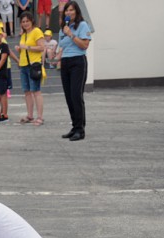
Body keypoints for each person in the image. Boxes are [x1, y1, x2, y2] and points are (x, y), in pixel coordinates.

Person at [58, 1, 91, 141]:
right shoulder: (63, 27)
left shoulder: (82, 25)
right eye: (67, 10)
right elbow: (62, 45)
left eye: (71, 10)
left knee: (76, 96)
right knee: (69, 97)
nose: (69, 12)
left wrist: (71, 35)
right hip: (65, 62)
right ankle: (74, 126)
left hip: (78, 61)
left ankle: (80, 130)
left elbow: (84, 45)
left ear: (76, 11)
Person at [15, 12, 45, 126]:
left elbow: (42, 47)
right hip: (23, 65)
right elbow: (24, 49)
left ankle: (40, 117)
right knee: (27, 92)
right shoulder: (24, 34)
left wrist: (27, 47)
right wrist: (20, 49)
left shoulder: (37, 31)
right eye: (23, 22)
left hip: (33, 65)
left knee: (36, 91)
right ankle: (30, 115)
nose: (25, 23)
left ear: (32, 20)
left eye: (27, 21)